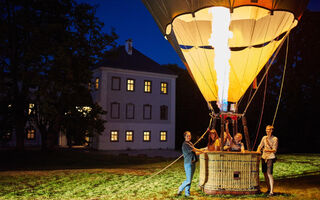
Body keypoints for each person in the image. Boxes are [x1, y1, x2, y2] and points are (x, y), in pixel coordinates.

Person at [178, 131, 205, 197]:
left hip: (193, 163)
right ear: (185, 137)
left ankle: (187, 193)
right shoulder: (185, 144)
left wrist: (203, 152)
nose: (189, 137)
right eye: (187, 136)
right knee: (188, 180)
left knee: (189, 179)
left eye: (189, 136)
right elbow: (194, 149)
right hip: (188, 163)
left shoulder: (190, 143)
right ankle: (180, 188)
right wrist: (202, 150)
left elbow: (195, 153)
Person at [257, 125, 278, 196]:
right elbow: (260, 146)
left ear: (271, 130)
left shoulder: (275, 139)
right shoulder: (264, 138)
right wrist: (258, 152)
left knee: (269, 174)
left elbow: (274, 150)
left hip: (270, 157)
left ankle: (272, 191)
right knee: (265, 174)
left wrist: (268, 150)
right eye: (266, 129)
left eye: (268, 130)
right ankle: (268, 189)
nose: (267, 131)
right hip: (264, 157)